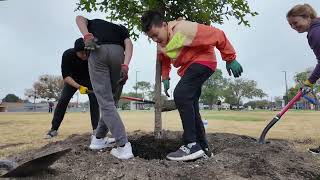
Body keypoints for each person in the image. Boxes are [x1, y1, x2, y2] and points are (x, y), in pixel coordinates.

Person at [141, 11, 243, 161]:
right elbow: (164, 59)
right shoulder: (163, 43)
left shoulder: (184, 29)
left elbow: (218, 35)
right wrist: (165, 77)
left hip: (203, 62)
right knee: (191, 104)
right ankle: (203, 148)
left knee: (181, 95)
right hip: (189, 68)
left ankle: (191, 144)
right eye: (151, 38)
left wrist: (229, 58)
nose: (155, 39)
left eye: (156, 34)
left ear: (164, 25)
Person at [76, 15, 134, 159]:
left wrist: (87, 35)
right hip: (119, 54)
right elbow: (129, 45)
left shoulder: (94, 22)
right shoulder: (121, 29)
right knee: (111, 102)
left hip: (98, 50)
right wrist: (125, 65)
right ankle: (98, 139)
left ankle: (123, 146)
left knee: (106, 102)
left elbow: (79, 18)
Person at [45, 38, 103, 142]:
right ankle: (54, 129)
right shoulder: (68, 55)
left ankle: (96, 129)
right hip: (73, 80)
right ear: (76, 51)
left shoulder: (93, 55)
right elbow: (66, 76)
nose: (85, 56)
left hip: (90, 80)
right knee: (63, 100)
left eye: (87, 53)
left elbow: (100, 71)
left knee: (94, 101)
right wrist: (79, 87)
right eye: (82, 53)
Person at [287, 4, 320, 154]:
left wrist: (309, 81)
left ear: (307, 17)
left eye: (295, 23)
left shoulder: (315, 33)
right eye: (290, 25)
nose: (294, 27)